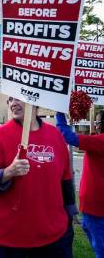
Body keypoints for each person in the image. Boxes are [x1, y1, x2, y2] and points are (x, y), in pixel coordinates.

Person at [0, 97, 76, 258]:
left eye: (18, 98)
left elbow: (65, 181)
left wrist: (69, 221)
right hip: (10, 240)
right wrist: (8, 172)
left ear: (35, 100)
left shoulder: (55, 136)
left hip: (55, 238)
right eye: (10, 100)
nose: (13, 103)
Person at [56, 110, 104, 258]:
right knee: (88, 228)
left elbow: (66, 135)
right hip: (95, 205)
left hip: (96, 206)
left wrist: (59, 111)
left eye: (97, 122)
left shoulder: (100, 141)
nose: (95, 125)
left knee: (100, 247)